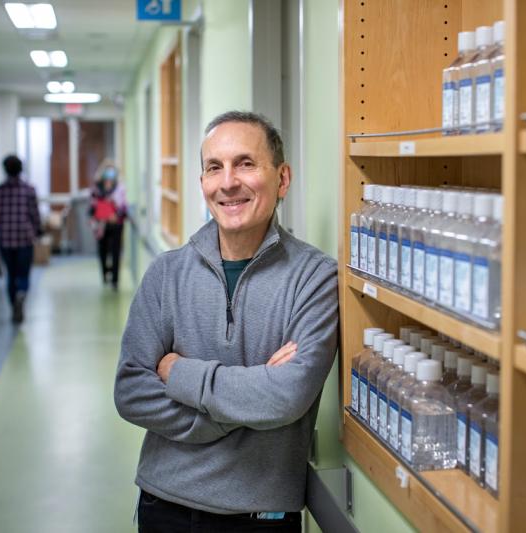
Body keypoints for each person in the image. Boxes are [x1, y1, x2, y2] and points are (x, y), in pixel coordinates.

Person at [114, 111, 339, 532]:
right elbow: (130, 390)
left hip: (261, 517)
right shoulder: (167, 274)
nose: (228, 182)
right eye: (214, 168)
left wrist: (177, 372)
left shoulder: (315, 277)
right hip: (164, 505)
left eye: (246, 164)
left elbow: (287, 397)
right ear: (203, 184)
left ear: (282, 179)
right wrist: (248, 400)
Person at [0, 155, 43, 323]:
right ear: (21, 169)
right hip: (25, 239)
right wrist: (38, 230)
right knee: (24, 273)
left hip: (5, 239)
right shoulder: (29, 189)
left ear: (5, 170)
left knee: (11, 275)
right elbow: (34, 214)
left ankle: (14, 305)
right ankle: (21, 294)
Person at [89, 160, 127, 290]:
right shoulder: (97, 188)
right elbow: (91, 208)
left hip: (116, 224)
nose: (110, 174)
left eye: (112, 170)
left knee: (116, 252)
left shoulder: (119, 187)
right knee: (103, 251)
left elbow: (124, 207)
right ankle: (105, 273)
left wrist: (116, 213)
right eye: (107, 170)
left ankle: (115, 280)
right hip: (101, 225)